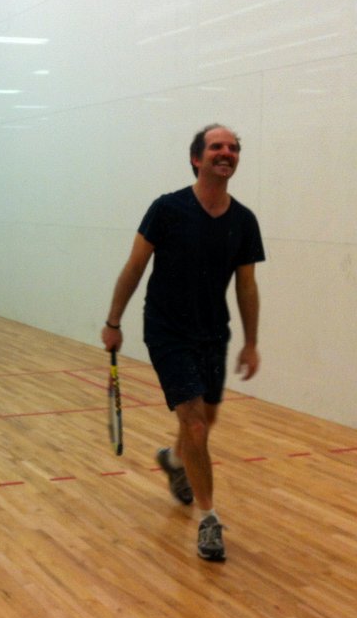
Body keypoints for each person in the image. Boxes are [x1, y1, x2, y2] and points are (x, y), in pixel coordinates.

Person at [101, 124, 264, 561]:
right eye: (216, 147)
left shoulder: (244, 221)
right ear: (196, 158)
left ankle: (174, 461)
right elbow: (135, 266)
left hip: (212, 332)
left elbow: (246, 286)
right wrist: (113, 321)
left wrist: (251, 342)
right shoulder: (167, 209)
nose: (226, 153)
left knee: (206, 420)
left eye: (233, 148)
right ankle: (209, 520)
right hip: (167, 330)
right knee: (194, 423)